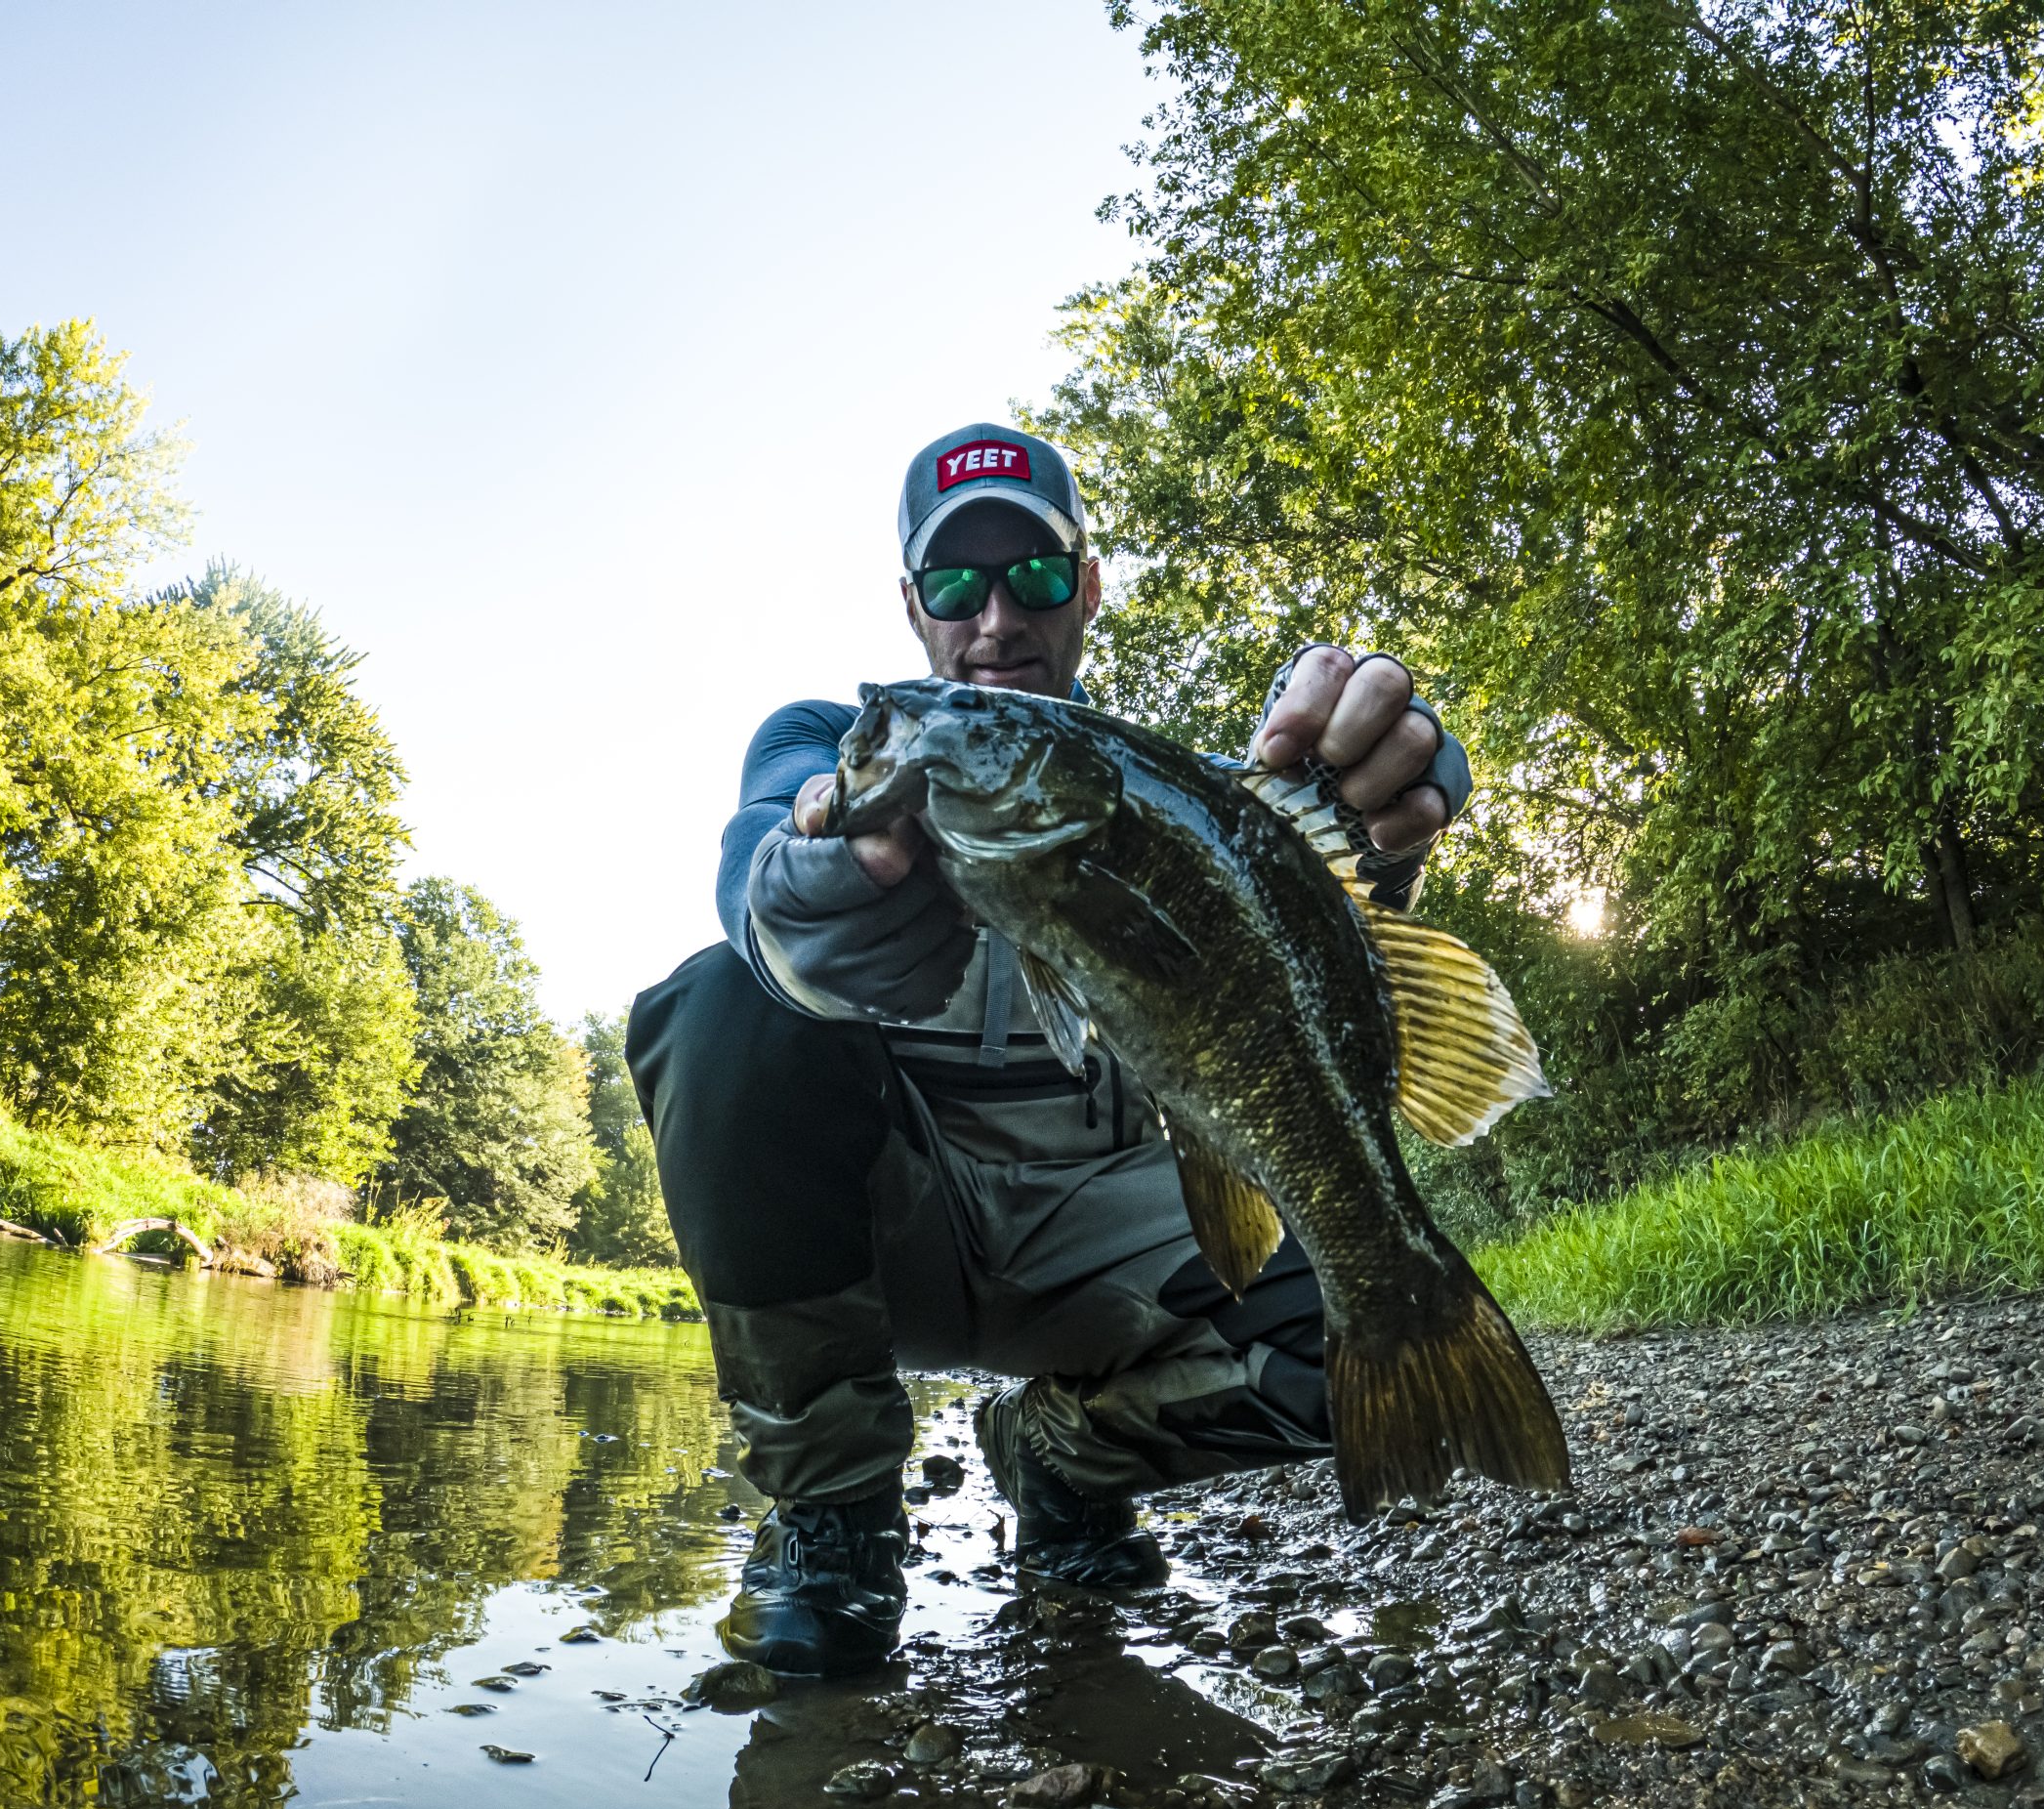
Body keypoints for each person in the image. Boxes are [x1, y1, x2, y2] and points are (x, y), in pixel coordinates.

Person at [626, 422, 1473, 1676]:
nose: (995, 621)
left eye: (1031, 575)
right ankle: (832, 1519)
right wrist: (794, 903)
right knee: (717, 1002)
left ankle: (1060, 1460)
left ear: (1086, 586)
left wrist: (1385, 800)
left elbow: (1324, 923)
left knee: (1361, 1337)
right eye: (954, 585)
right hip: (900, 1247)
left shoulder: (1183, 796)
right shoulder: (833, 737)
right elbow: (759, 858)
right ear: (911, 605)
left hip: (1116, 1258)